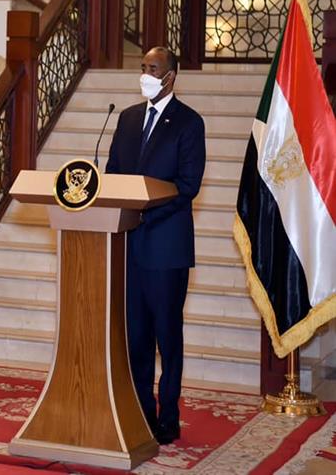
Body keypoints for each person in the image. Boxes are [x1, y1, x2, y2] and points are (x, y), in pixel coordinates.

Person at [106, 47, 205, 444]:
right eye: (143, 67)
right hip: (129, 247)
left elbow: (188, 185)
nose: (146, 74)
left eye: (153, 69)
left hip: (166, 248)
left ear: (170, 76)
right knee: (136, 338)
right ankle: (142, 412)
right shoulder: (128, 118)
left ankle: (169, 417)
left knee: (167, 335)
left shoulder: (188, 122)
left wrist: (146, 212)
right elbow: (113, 172)